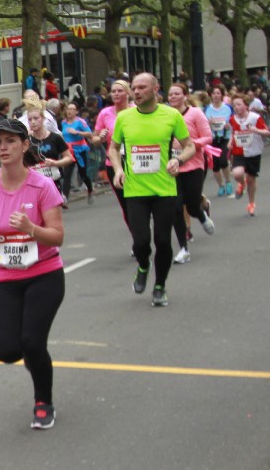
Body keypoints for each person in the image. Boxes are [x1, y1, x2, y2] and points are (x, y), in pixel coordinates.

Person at [0, 116, 65, 429]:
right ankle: (35, 362)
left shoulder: (42, 186)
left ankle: (43, 401)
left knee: (33, 343)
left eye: (10, 141)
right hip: (4, 279)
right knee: (7, 350)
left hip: (44, 275)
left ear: (25, 145)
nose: (3, 147)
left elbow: (57, 236)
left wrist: (31, 228)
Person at [109, 73, 196, 307]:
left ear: (156, 89)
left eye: (142, 87)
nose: (136, 92)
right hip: (135, 190)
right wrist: (117, 169)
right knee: (140, 242)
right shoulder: (124, 117)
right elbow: (113, 148)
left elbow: (189, 146)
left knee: (163, 241)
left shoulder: (171, 115)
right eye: (134, 88)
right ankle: (143, 266)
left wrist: (179, 160)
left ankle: (160, 286)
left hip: (164, 189)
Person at [166, 83, 217, 264]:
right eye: (170, 94)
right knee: (176, 207)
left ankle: (202, 216)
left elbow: (208, 137)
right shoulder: (165, 115)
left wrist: (191, 145)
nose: (172, 97)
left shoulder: (195, 113)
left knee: (192, 206)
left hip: (194, 165)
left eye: (176, 93)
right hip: (173, 168)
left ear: (185, 96)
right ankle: (183, 249)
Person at [94, 79, 133, 227]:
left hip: (135, 161)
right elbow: (94, 140)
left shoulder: (136, 110)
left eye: (120, 91)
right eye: (113, 91)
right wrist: (100, 137)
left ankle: (141, 228)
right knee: (125, 203)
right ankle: (137, 235)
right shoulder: (105, 113)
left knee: (137, 201)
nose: (116, 94)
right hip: (114, 163)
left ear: (128, 93)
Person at [26, 102, 74, 212]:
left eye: (36, 118)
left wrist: (55, 163)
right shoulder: (26, 141)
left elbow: (69, 158)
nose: (33, 122)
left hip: (53, 181)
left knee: (51, 213)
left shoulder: (55, 138)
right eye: (30, 119)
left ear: (43, 119)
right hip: (34, 183)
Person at [228, 95, 268, 217]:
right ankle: (241, 183)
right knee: (237, 173)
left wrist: (256, 130)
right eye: (234, 105)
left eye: (239, 104)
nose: (236, 107)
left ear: (246, 105)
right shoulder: (232, 119)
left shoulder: (255, 118)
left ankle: (251, 203)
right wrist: (230, 142)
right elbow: (233, 132)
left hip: (253, 152)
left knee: (251, 179)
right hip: (238, 151)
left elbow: (267, 132)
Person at [203, 86, 234, 196]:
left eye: (218, 93)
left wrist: (229, 126)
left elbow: (234, 121)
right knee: (215, 165)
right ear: (211, 95)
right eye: (214, 93)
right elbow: (203, 123)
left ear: (221, 95)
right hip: (212, 139)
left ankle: (228, 182)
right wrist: (209, 123)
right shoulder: (207, 109)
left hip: (225, 138)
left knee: (223, 160)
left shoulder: (228, 108)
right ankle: (221, 186)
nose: (216, 95)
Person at [61, 102, 95, 204]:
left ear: (76, 111)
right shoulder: (63, 122)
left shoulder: (80, 122)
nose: (70, 111)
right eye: (68, 109)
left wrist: (77, 132)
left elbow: (90, 134)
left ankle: (90, 190)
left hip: (80, 151)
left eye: (72, 109)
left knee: (83, 173)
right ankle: (65, 198)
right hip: (69, 151)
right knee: (67, 174)